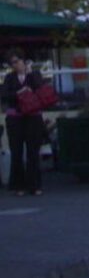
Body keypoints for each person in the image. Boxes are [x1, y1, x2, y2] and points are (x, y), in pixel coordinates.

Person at [2, 50, 45, 196]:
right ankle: (18, 185)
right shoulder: (9, 78)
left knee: (33, 151)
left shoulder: (34, 75)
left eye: (17, 61)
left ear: (23, 61)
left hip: (33, 116)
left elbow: (40, 89)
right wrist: (19, 92)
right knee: (17, 152)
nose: (16, 65)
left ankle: (34, 185)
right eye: (13, 63)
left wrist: (31, 73)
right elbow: (4, 95)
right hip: (16, 117)